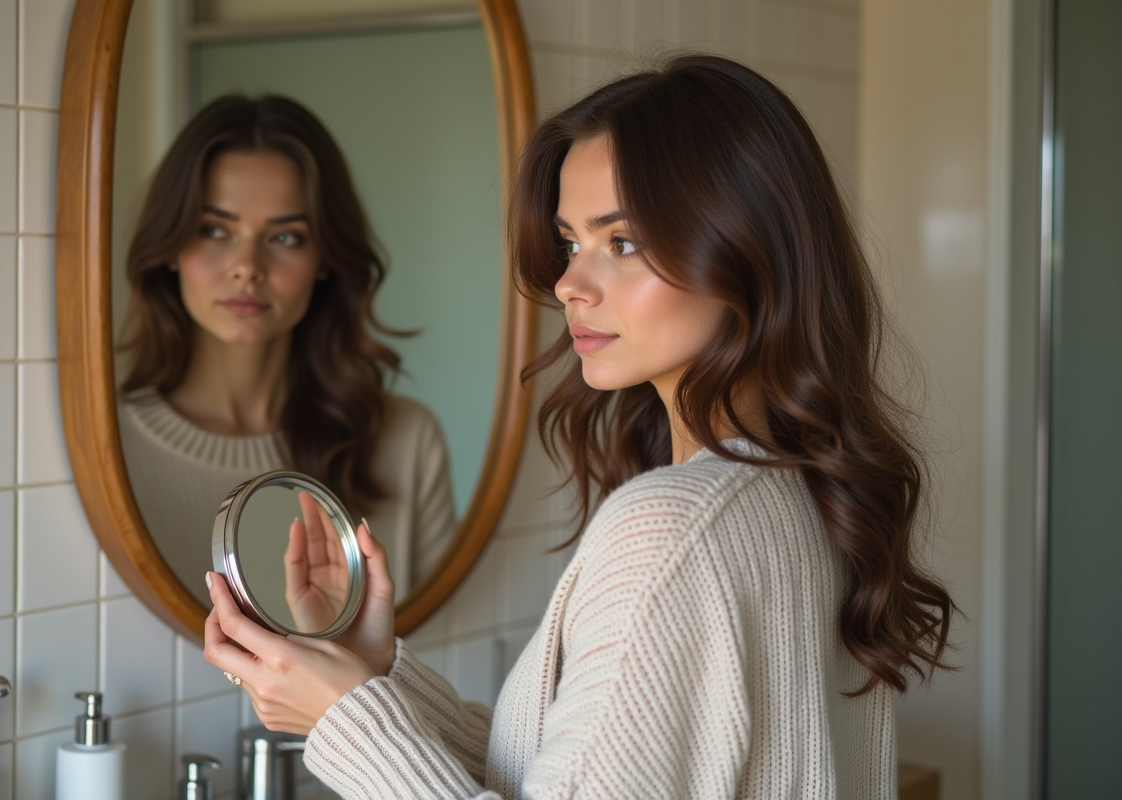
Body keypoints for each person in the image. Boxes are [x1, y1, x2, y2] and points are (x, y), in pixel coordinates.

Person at [203, 55, 956, 798]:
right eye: (569, 243)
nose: (567, 283)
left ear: (747, 252)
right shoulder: (806, 492)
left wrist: (343, 720)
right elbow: (570, 772)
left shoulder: (671, 531)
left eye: (620, 243)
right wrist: (371, 683)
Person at [117, 95, 456, 607]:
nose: (247, 266)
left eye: (285, 236)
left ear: (325, 258)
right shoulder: (106, 450)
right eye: (214, 230)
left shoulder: (407, 443)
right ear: (170, 248)